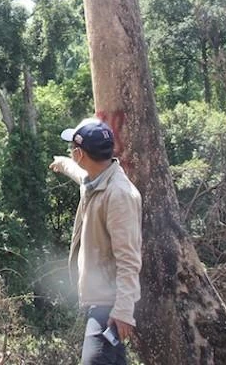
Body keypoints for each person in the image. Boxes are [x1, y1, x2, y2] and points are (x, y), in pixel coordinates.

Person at [49, 117, 142, 365]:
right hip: (98, 301)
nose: (72, 153)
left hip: (108, 305)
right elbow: (80, 175)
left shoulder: (119, 195)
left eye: (72, 150)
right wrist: (62, 163)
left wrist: (123, 311)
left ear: (80, 153)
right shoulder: (96, 180)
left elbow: (129, 258)